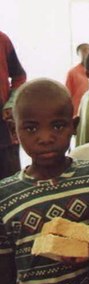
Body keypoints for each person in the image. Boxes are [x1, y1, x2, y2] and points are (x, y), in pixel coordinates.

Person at [0, 79, 89, 284]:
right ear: (14, 130)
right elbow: (4, 273)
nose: (45, 138)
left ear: (73, 126)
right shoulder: (5, 196)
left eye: (57, 126)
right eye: (31, 128)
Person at [0, 31, 26, 180]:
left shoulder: (2, 40)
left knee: (10, 184)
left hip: (4, 135)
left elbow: (19, 77)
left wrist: (10, 103)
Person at [65, 42, 89, 116]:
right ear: (78, 54)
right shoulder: (72, 72)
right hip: (77, 112)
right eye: (84, 50)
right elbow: (67, 95)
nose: (87, 52)